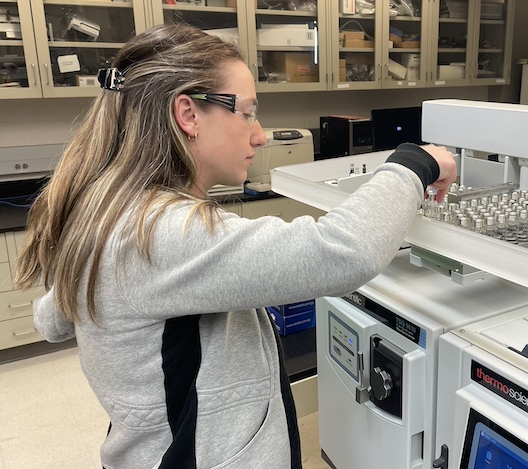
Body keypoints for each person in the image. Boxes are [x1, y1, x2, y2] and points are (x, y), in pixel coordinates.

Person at [15, 23, 456, 468]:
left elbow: (58, 315)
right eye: (247, 112)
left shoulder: (111, 208)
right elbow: (343, 251)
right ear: (187, 114)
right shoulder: (156, 232)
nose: (260, 134)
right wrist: (414, 164)